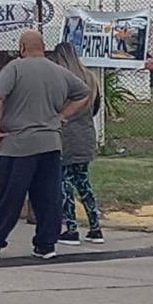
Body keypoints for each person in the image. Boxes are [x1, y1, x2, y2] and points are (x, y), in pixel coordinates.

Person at [0, 30, 89, 260]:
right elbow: (83, 93)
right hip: (51, 143)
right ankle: (46, 245)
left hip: (18, 143)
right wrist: (62, 116)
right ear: (43, 47)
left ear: (22, 47)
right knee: (48, 197)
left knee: (8, 194)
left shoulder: (14, 68)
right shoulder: (59, 71)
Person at [51, 42, 105, 246]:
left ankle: (71, 228)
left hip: (65, 135)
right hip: (86, 133)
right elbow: (96, 106)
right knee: (83, 182)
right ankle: (95, 227)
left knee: (64, 182)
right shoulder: (90, 77)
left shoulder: (61, 78)